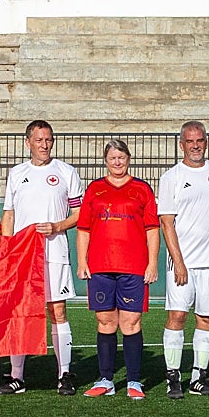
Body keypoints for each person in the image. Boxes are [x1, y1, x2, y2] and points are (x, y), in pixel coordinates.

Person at [0, 120, 84, 396]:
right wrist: (6, 251)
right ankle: (17, 377)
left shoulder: (66, 172)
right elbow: (9, 214)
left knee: (56, 310)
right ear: (28, 143)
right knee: (21, 312)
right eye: (38, 140)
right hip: (23, 257)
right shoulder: (16, 173)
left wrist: (58, 226)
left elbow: (80, 214)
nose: (44, 145)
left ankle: (64, 374)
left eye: (48, 140)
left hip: (55, 253)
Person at [158, 120, 209, 398]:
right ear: (181, 145)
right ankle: (173, 376)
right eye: (190, 141)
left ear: (206, 142)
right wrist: (178, 261)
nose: (195, 145)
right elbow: (167, 222)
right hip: (183, 263)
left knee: (207, 319)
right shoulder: (171, 177)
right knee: (177, 316)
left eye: (200, 140)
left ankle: (198, 378)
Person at [76, 139, 159, 399]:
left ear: (129, 158)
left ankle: (134, 381)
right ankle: (106, 379)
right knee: (105, 321)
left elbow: (152, 229)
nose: (117, 162)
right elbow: (83, 229)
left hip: (133, 266)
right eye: (112, 158)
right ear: (106, 160)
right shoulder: (95, 189)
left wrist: (153, 262)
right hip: (101, 265)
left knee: (131, 322)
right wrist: (82, 261)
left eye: (121, 157)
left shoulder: (141, 189)